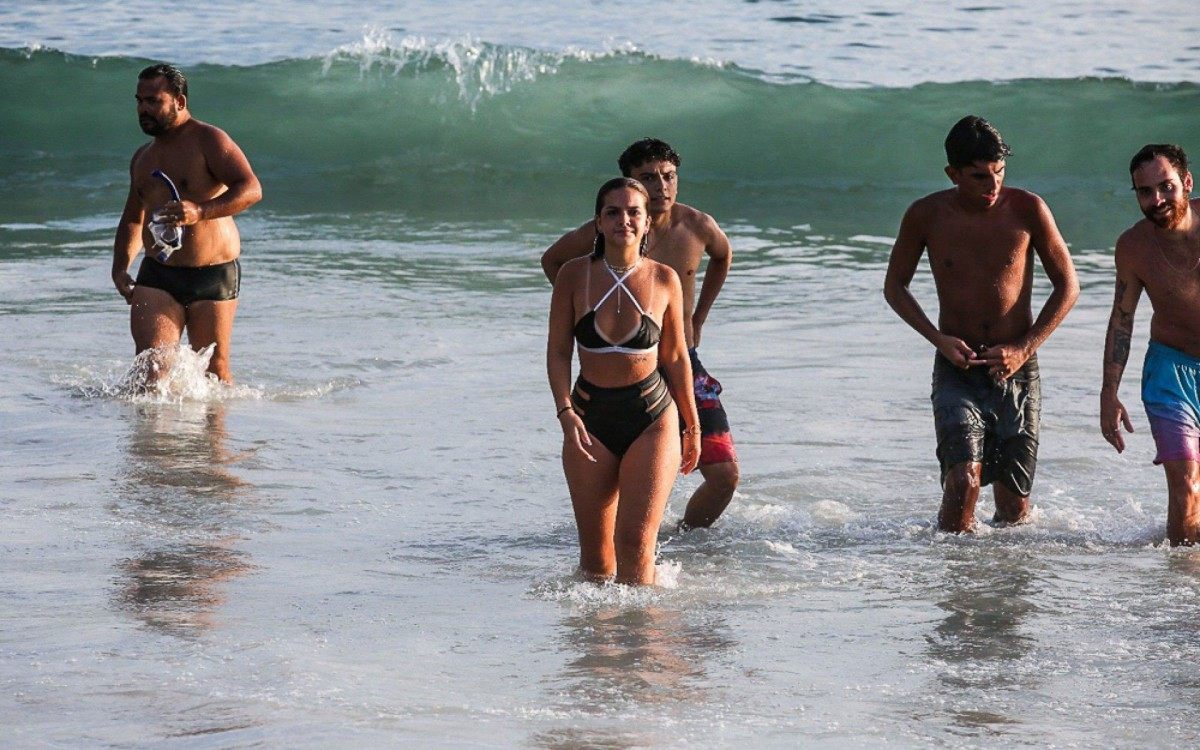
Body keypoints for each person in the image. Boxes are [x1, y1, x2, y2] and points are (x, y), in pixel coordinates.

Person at [883, 116, 1078, 533]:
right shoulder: (925, 215)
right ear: (952, 174)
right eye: (979, 177)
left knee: (1013, 507)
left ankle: (1000, 588)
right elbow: (895, 287)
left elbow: (1068, 286)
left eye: (999, 173)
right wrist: (937, 339)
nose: (992, 186)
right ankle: (956, 585)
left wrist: (1024, 348)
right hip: (959, 368)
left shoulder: (1028, 209)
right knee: (962, 483)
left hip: (1017, 368)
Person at [542, 139, 737, 529]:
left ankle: (682, 539)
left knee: (724, 474)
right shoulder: (607, 232)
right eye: (648, 178)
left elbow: (723, 255)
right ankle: (635, 541)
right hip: (620, 374)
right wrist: (584, 315)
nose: (661, 186)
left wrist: (698, 318)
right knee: (615, 494)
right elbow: (554, 261)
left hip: (681, 360)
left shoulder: (696, 226)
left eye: (668, 176)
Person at [547, 178, 701, 585]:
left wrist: (693, 424)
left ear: (648, 222)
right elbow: (559, 351)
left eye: (634, 212)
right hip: (587, 417)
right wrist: (564, 411)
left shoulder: (665, 279)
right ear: (598, 222)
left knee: (634, 547)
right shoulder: (572, 276)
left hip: (651, 417)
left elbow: (674, 356)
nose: (624, 220)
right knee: (597, 564)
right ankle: (598, 646)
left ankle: (645, 645)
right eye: (613, 212)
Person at [111, 63, 262, 383]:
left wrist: (201, 211)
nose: (143, 109)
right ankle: (150, 436)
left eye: (153, 101)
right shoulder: (143, 157)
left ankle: (214, 435)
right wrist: (120, 267)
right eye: (139, 101)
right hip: (158, 275)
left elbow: (251, 189)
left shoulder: (209, 140)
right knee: (149, 373)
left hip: (213, 274)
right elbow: (133, 218)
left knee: (215, 372)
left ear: (179, 101)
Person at [1101, 144, 1200, 546]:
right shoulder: (1133, 246)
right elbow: (1122, 319)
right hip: (1170, 373)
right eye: (1145, 192)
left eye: (1166, 187)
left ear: (1187, 183)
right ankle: (1181, 595)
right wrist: (1109, 392)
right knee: (1186, 486)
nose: (1156, 200)